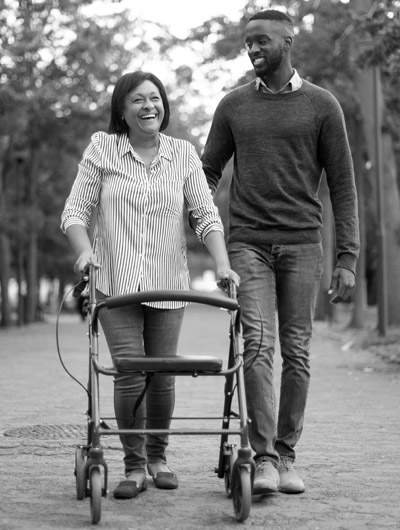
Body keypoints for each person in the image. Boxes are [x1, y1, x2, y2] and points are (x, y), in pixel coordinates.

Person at [201, 10, 359, 495]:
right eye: (248, 42)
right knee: (257, 346)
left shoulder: (322, 105)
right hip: (247, 242)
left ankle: (287, 454)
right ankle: (264, 458)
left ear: (288, 41)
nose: (252, 49)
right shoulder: (232, 106)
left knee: (296, 351)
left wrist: (347, 257)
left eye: (261, 40)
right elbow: (207, 171)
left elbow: (343, 185)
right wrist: (207, 222)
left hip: (301, 244)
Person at [61, 71, 239, 500]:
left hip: (167, 284)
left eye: (155, 98)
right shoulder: (103, 149)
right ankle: (134, 465)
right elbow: (75, 213)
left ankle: (159, 458)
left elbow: (205, 214)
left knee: (162, 375)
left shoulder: (182, 154)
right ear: (122, 109)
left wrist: (222, 264)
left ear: (164, 106)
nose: (149, 106)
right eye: (138, 99)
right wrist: (84, 252)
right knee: (129, 372)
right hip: (115, 284)